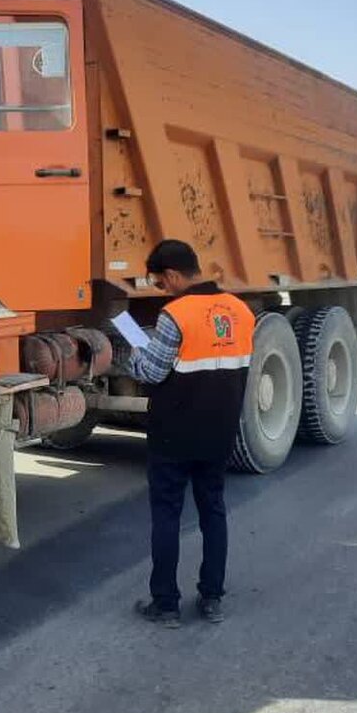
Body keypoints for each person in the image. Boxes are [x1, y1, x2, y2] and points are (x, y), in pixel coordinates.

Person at [127, 239, 255, 627]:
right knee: (213, 511)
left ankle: (165, 605)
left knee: (167, 515)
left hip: (174, 434)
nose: (162, 291)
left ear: (172, 275)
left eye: (161, 284)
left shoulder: (175, 314)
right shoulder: (240, 310)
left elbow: (152, 372)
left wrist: (134, 350)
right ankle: (212, 598)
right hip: (219, 431)